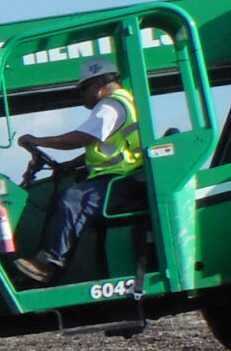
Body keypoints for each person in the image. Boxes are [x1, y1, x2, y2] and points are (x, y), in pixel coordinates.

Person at [8, 59, 145, 285]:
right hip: (124, 178)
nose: (82, 96)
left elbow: (81, 138)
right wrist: (70, 165)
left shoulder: (110, 106)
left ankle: (49, 263)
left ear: (100, 82)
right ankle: (53, 266)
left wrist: (38, 140)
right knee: (64, 197)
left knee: (74, 199)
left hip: (124, 180)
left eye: (84, 88)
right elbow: (107, 146)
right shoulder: (125, 102)